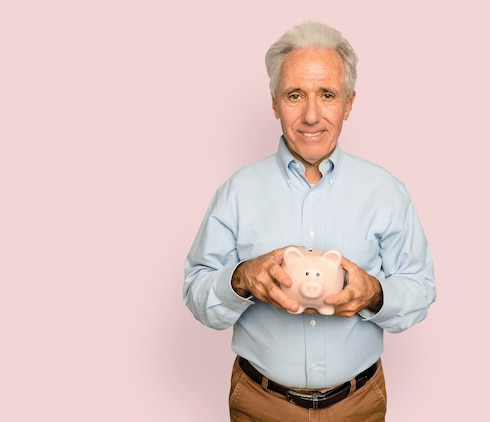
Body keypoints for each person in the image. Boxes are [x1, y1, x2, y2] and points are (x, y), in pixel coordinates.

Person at [183, 21, 436, 421]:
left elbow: (420, 290)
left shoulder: (386, 191)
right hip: (260, 404)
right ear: (274, 103)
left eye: (328, 95)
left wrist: (373, 293)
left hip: (360, 403)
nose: (311, 115)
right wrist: (242, 278)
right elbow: (197, 294)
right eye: (295, 95)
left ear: (349, 103)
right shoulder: (236, 191)